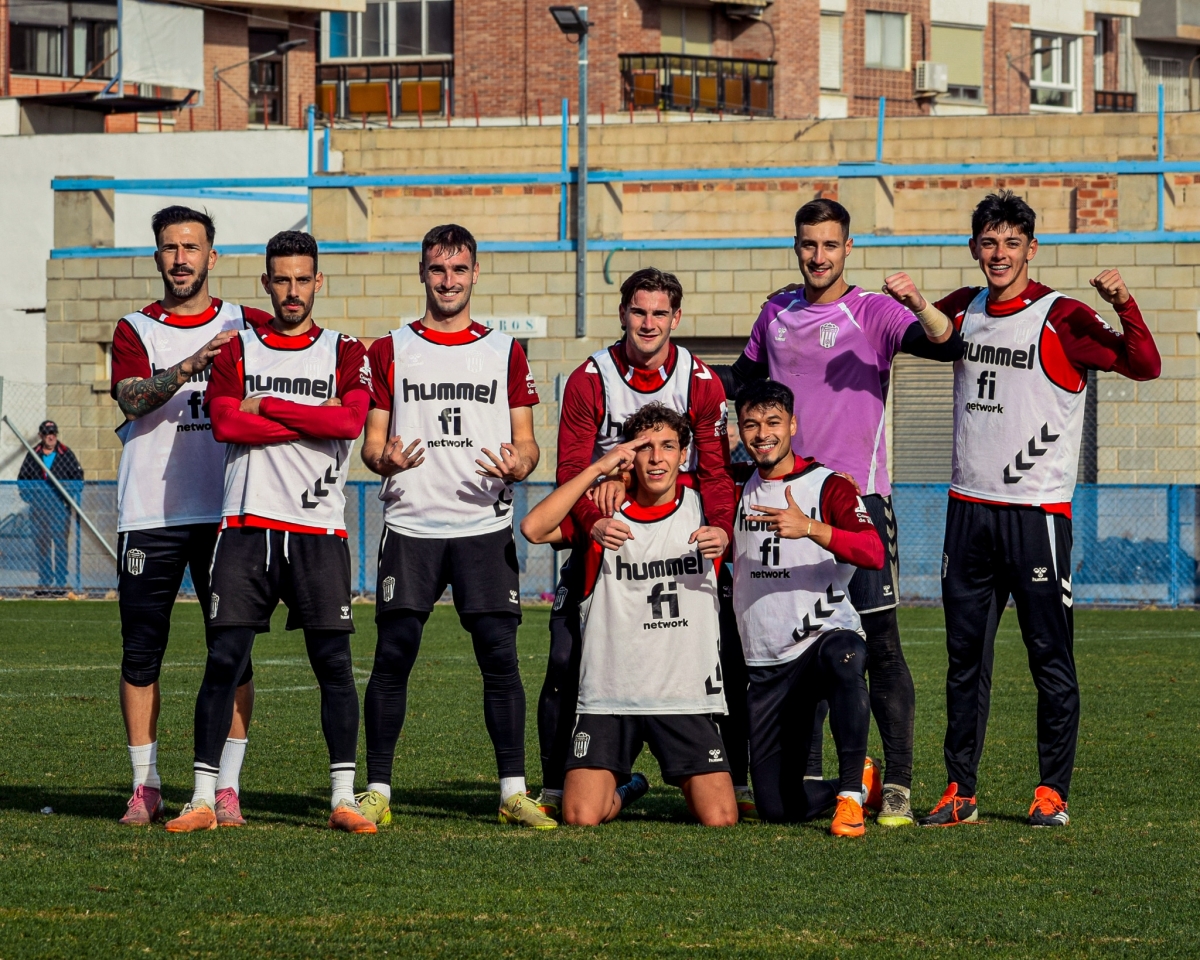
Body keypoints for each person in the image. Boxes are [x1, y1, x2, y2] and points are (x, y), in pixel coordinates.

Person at [717, 198, 964, 827]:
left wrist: (918, 304)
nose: (818, 256)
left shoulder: (874, 312)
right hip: (779, 498)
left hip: (856, 499)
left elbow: (945, 346)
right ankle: (818, 776)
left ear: (847, 248)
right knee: (800, 640)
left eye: (829, 245)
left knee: (876, 643)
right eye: (808, 244)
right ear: (796, 247)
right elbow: (737, 383)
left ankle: (899, 785)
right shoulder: (776, 310)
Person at [920, 191, 1161, 828]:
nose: (999, 254)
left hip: (1035, 515)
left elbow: (1145, 364)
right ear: (974, 249)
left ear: (1032, 247)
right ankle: (959, 790)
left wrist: (1124, 304)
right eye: (988, 243)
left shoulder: (1062, 315)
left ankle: (1051, 792)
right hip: (967, 511)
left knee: (1048, 659)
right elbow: (910, 336)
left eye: (1011, 243)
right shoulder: (964, 310)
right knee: (963, 661)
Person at [166, 230, 374, 834]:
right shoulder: (237, 350)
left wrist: (272, 408)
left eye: (301, 279)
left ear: (318, 282)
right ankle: (203, 797)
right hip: (245, 527)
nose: (291, 290)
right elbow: (228, 425)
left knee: (333, 663)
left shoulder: (343, 349)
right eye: (280, 279)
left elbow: (351, 420)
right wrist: (311, 425)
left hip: (317, 529)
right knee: (224, 658)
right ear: (265, 283)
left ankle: (343, 796)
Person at [357, 224, 548, 829]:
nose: (448, 281)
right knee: (393, 656)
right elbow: (371, 445)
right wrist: (383, 458)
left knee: (500, 659)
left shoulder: (504, 351)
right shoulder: (388, 349)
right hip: (411, 524)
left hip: (481, 526)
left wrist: (522, 462)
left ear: (474, 274)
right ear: (421, 273)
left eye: (459, 270)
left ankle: (512, 792)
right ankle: (379, 791)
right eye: (437, 270)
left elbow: (528, 444)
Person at [537, 267, 744, 823]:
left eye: (660, 313)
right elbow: (570, 468)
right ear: (623, 313)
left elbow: (718, 472)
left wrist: (721, 528)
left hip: (680, 525)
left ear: (676, 319)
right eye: (638, 311)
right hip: (609, 529)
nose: (648, 323)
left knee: (727, 649)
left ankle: (730, 774)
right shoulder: (590, 378)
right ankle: (558, 784)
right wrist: (591, 517)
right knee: (563, 657)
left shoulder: (702, 382)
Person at [108, 206, 272, 827]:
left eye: (192, 247)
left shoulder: (246, 322)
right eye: (170, 248)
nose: (181, 258)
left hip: (229, 513)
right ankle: (144, 785)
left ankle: (225, 788)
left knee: (233, 654)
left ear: (212, 257)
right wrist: (191, 365)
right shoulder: (135, 329)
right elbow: (130, 397)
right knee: (141, 654)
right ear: (157, 258)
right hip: (150, 513)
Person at [521, 403, 737, 827]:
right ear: (629, 456)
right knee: (582, 816)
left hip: (682, 695)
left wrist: (727, 533)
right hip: (610, 694)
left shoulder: (706, 512)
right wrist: (598, 470)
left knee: (721, 818)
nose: (656, 458)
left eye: (668, 447)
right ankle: (629, 787)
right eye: (645, 448)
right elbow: (533, 528)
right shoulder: (602, 515)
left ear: (683, 454)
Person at [729, 380, 884, 836]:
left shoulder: (829, 484)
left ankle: (851, 799)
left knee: (845, 656)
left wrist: (812, 528)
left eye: (773, 422)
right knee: (779, 807)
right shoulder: (735, 486)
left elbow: (874, 552)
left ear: (793, 425)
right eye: (751, 424)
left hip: (821, 641)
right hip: (767, 664)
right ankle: (858, 783)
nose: (762, 434)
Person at [17, 420, 84, 592]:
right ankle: (45, 580)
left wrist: (68, 496)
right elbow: (22, 480)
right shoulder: (34, 455)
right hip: (39, 508)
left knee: (60, 544)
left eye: (53, 433)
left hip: (59, 508)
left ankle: (60, 582)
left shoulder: (65, 453)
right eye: (47, 434)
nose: (51, 436)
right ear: (41, 436)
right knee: (42, 544)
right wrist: (31, 498)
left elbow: (78, 477)